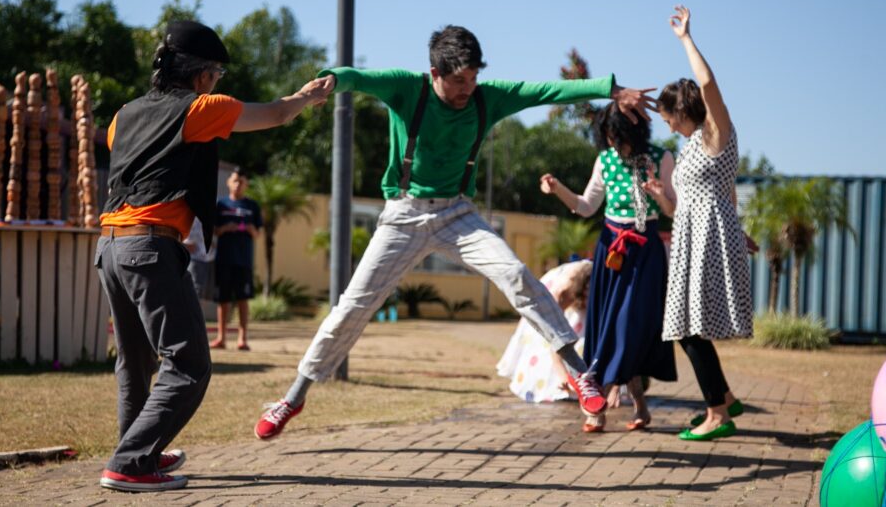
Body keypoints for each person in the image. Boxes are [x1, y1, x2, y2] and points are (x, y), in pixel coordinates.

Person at [254, 24, 656, 440]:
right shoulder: (407, 89)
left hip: (457, 215)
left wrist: (613, 90)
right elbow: (355, 78)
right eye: (459, 80)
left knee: (517, 275)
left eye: (473, 78)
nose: (468, 88)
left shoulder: (487, 97)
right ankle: (293, 396)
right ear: (435, 73)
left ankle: (579, 374)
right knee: (352, 307)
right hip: (403, 215)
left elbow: (547, 91)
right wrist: (328, 83)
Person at [95, 20, 331, 492]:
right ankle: (129, 462)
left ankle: (139, 451)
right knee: (189, 365)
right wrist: (307, 97)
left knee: (136, 363)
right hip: (149, 247)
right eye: (218, 74)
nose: (219, 83)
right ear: (203, 75)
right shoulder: (202, 108)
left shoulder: (124, 114)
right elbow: (276, 114)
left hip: (110, 247)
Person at [642, 6, 756, 441]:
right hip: (698, 236)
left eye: (668, 116)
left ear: (681, 109)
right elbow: (705, 197)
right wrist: (662, 198)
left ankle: (717, 413)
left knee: (687, 327)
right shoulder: (692, 146)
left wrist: (685, 39)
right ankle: (723, 399)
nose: (666, 123)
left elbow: (708, 85)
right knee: (687, 325)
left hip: (708, 240)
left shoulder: (715, 131)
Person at [539, 102, 677, 433]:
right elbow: (586, 207)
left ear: (636, 130)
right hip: (611, 248)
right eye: (609, 135)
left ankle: (604, 401)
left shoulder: (662, 157)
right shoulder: (605, 160)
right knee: (607, 327)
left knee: (629, 325)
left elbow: (673, 209)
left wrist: (658, 195)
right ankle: (631, 407)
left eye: (619, 134)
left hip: (645, 251)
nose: (614, 141)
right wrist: (557, 190)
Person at [496, 259, 593, 403]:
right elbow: (555, 336)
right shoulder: (565, 290)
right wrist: (563, 376)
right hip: (563, 294)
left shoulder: (603, 288)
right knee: (559, 336)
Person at [210, 169, 262, 351]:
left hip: (243, 260)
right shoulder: (220, 205)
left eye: (241, 181)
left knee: (243, 299)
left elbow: (258, 234)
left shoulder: (253, 206)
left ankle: (242, 338)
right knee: (223, 300)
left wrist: (249, 229)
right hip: (224, 258)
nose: (238, 184)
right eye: (235, 181)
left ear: (246, 184)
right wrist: (225, 228)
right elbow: (214, 231)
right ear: (228, 183)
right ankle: (221, 337)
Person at [183, 217, 215, 299]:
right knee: (195, 294)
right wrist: (183, 244)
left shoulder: (210, 209)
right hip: (194, 259)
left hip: (209, 258)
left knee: (204, 295)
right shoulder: (186, 208)